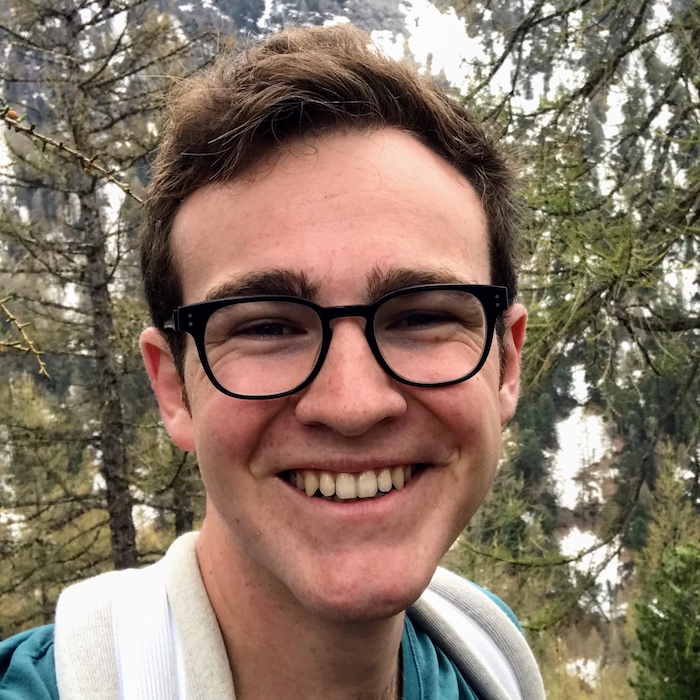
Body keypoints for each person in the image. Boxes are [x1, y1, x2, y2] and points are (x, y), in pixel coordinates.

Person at [0, 23, 544, 700]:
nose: (352, 404)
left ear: (506, 363)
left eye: (421, 318)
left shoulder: (489, 662)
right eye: (266, 327)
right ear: (172, 386)